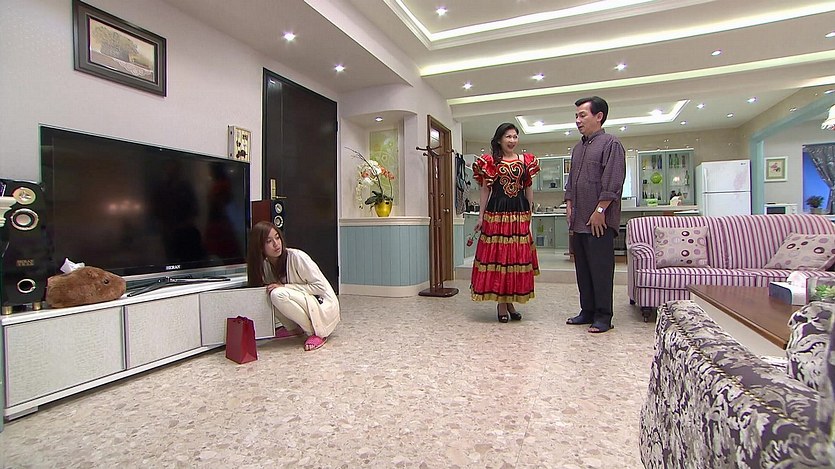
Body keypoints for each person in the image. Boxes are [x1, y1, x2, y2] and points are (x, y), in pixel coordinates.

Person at [564, 96, 626, 333]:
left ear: (599, 116)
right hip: (579, 220)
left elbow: (613, 181)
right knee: (583, 269)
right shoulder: (578, 148)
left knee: (601, 269)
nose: (578, 120)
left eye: (583, 115)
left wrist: (601, 210)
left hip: (599, 221)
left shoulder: (611, 144)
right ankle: (587, 310)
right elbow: (572, 182)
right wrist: (569, 205)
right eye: (576, 116)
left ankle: (603, 316)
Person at [470, 122, 540, 322]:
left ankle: (509, 302)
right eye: (508, 136)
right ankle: (502, 304)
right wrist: (481, 216)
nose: (512, 140)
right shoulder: (490, 162)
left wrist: (529, 214)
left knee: (514, 257)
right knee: (500, 257)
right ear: (499, 139)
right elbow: (485, 190)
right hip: (497, 213)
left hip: (518, 212)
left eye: (515, 136)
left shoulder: (526, 161)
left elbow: (528, 188)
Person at [246, 221, 340, 351]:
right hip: (305, 300)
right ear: (260, 247)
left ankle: (315, 333)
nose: (276, 244)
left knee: (277, 293)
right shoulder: (265, 265)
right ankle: (293, 329)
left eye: (277, 237)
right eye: (269, 241)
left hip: (323, 303)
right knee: (267, 292)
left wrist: (285, 287)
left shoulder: (297, 257)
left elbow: (320, 287)